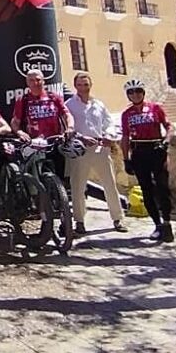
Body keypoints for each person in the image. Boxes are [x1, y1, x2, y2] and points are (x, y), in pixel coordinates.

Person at [65, 72, 126, 234]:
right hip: (80, 149)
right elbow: (67, 128)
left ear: (90, 85)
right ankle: (79, 221)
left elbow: (109, 123)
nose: (83, 88)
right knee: (78, 187)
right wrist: (82, 138)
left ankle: (117, 218)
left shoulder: (98, 104)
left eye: (86, 84)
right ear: (75, 86)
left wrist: (109, 136)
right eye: (80, 85)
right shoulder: (69, 105)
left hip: (100, 147)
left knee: (110, 184)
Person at [121, 79, 175, 243]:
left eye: (138, 91)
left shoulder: (155, 108)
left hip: (156, 150)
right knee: (147, 189)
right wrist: (125, 159)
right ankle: (157, 225)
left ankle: (167, 222)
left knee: (163, 187)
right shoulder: (127, 114)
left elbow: (169, 126)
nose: (135, 94)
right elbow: (125, 137)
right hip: (139, 152)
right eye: (131, 92)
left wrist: (166, 142)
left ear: (143, 93)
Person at [11, 68, 75, 179]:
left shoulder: (53, 97)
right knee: (35, 180)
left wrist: (70, 127)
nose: (35, 83)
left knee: (59, 177)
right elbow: (15, 121)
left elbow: (67, 114)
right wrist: (19, 132)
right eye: (31, 80)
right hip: (34, 144)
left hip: (54, 142)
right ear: (27, 83)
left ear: (43, 81)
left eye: (38, 80)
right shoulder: (23, 100)